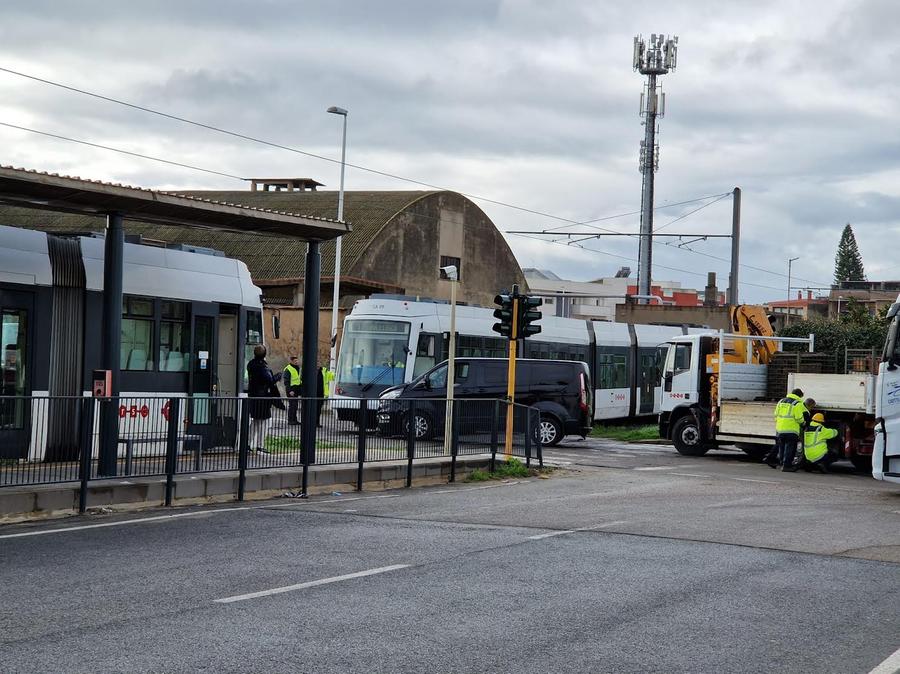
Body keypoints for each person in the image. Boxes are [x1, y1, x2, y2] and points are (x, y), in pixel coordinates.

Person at [766, 388, 811, 471]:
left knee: (781, 446)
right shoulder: (797, 403)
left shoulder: (781, 401)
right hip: (791, 429)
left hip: (780, 429)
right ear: (800, 396)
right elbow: (798, 418)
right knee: (790, 448)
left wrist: (780, 423)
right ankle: (786, 466)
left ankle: (779, 462)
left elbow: (776, 414)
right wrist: (803, 423)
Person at [247, 345, 276, 453]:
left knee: (255, 421)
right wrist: (277, 376)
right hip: (262, 397)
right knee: (264, 422)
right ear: (264, 354)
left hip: (253, 395)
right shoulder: (262, 366)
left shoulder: (250, 364)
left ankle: (248, 444)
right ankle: (260, 445)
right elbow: (269, 380)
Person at [283, 355, 302, 426]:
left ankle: (294, 420)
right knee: (292, 406)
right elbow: (286, 382)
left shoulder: (297, 368)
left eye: (297, 360)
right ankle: (290, 420)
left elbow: (298, 379)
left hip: (296, 390)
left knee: (295, 406)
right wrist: (290, 391)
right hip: (291, 390)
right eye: (295, 361)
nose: (296, 362)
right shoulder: (288, 369)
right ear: (291, 361)